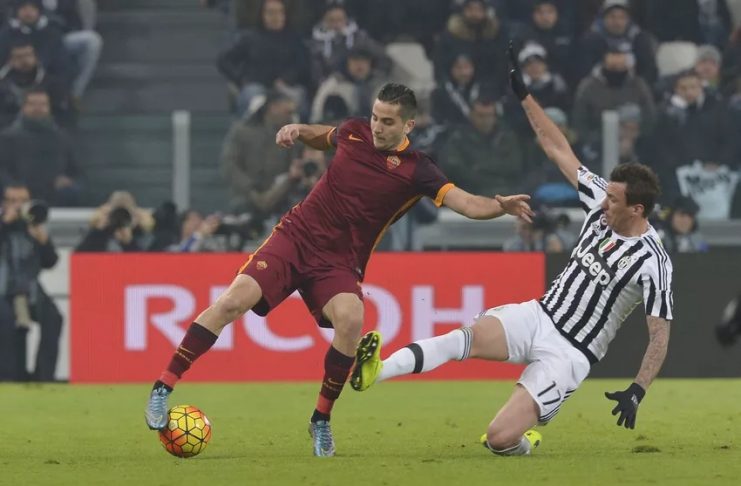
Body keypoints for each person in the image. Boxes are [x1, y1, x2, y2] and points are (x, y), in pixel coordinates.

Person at [143, 82, 535, 457]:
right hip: (295, 238)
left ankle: (321, 419)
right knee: (232, 302)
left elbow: (466, 204)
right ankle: (163, 387)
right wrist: (299, 130)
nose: (377, 127)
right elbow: (325, 136)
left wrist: (498, 206)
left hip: (339, 262)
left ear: (408, 125)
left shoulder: (418, 170)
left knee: (351, 319)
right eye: (375, 117)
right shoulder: (354, 131)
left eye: (387, 122)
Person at [350, 47, 674, 457]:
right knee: (461, 340)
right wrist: (524, 95)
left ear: (637, 209)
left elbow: (660, 334)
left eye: (614, 200)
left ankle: (526, 441)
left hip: (570, 352)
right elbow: (557, 147)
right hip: (538, 315)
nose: (604, 202)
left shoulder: (653, 261)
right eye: (606, 194)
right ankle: (377, 371)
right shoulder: (600, 201)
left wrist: (638, 389)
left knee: (500, 439)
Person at [0, 182, 62, 381]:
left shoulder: (33, 226)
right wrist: (5, 223)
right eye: (13, 201)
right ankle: (7, 378)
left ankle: (43, 377)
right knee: (6, 321)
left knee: (53, 317)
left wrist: (43, 241)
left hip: (30, 289)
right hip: (3, 289)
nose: (18, 205)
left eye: (23, 201)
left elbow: (50, 262)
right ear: (4, 203)